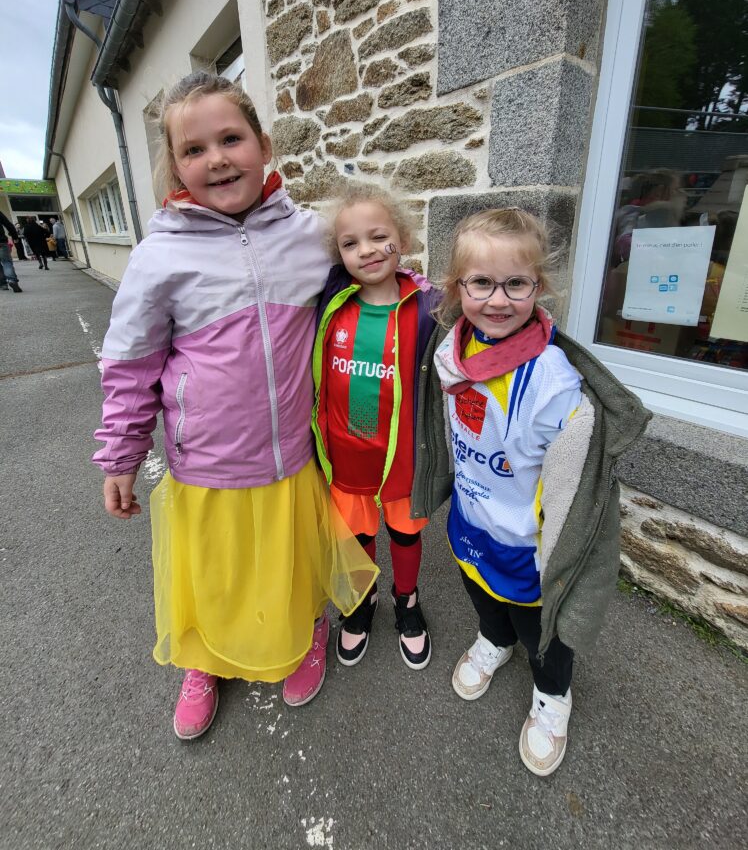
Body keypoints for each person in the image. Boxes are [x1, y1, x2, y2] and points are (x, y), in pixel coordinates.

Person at [92, 71, 377, 741]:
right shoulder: (159, 257)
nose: (216, 159)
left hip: (292, 457)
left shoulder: (310, 236)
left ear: (263, 144)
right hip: (207, 463)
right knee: (215, 572)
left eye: (230, 139)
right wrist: (121, 456)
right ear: (175, 167)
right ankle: (206, 656)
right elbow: (130, 366)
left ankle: (303, 632)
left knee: (290, 562)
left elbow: (373, 282)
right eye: (194, 150)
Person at [412, 208, 649, 776]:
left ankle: (552, 694)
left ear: (538, 287)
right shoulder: (448, 353)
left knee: (541, 628)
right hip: (472, 518)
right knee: (481, 594)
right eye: (481, 282)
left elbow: (576, 479)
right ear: (457, 287)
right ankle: (492, 641)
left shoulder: (554, 381)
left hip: (528, 541)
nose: (498, 300)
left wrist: (556, 550)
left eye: (515, 283)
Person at [311, 184, 440, 670]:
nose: (366, 250)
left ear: (401, 239)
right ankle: (362, 600)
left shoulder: (430, 307)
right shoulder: (329, 303)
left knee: (405, 535)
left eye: (379, 236)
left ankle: (407, 599)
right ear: (338, 254)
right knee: (358, 535)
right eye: (351, 243)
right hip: (348, 455)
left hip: (402, 455)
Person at [0, 210, 22, 292]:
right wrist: (15, 236)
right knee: (6, 262)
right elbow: (8, 224)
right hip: (1, 242)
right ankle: (12, 280)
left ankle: (3, 284)